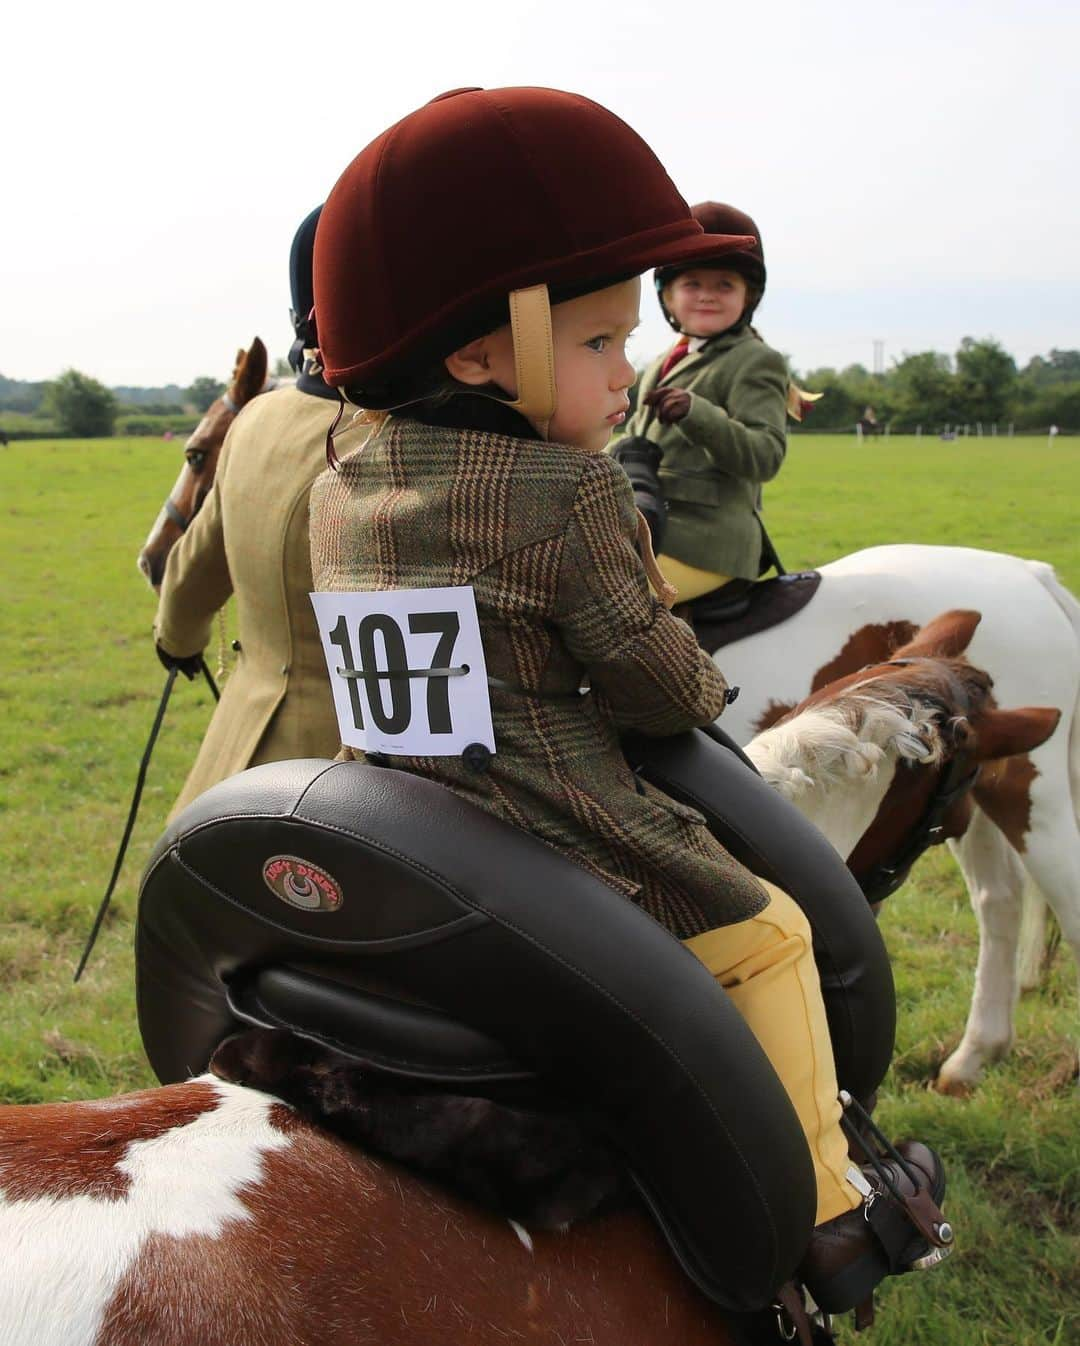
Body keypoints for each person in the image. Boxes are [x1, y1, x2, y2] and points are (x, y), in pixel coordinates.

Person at [308, 86, 951, 1320]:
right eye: (601, 344)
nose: (625, 372)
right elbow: (662, 688)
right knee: (770, 928)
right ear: (480, 354)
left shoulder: (346, 479)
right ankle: (828, 1211)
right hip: (553, 830)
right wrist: (695, 673)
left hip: (402, 823)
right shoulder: (570, 494)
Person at [154, 207, 364, 817]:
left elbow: (192, 571)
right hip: (359, 802)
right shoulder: (422, 444)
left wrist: (178, 637)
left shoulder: (255, 421)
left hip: (228, 781)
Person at [619, 202, 788, 602]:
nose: (707, 296)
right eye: (693, 284)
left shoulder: (756, 360)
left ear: (749, 296)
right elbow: (637, 440)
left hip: (709, 543)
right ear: (668, 295)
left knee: (612, 604)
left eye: (724, 285)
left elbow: (766, 457)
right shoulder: (664, 361)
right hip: (653, 526)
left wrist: (698, 413)